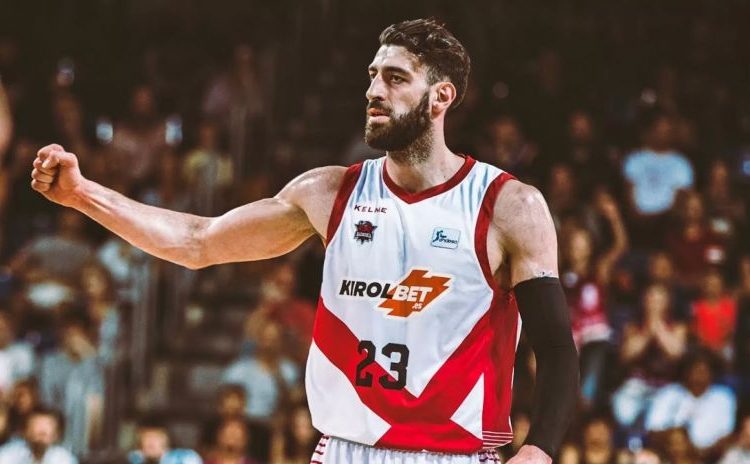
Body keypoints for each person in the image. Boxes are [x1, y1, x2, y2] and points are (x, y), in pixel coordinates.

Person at [30, 18, 578, 464]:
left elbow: (555, 349)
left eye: (394, 78)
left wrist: (540, 449)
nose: (374, 91)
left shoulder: (508, 206)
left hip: (453, 454)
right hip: (343, 450)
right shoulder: (327, 193)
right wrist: (83, 195)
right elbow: (197, 242)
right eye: (372, 76)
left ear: (441, 97)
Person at [0, 407, 77, 464]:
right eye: (35, 431)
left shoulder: (65, 459)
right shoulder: (8, 454)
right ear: (26, 432)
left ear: (55, 435)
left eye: (44, 433)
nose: (40, 438)